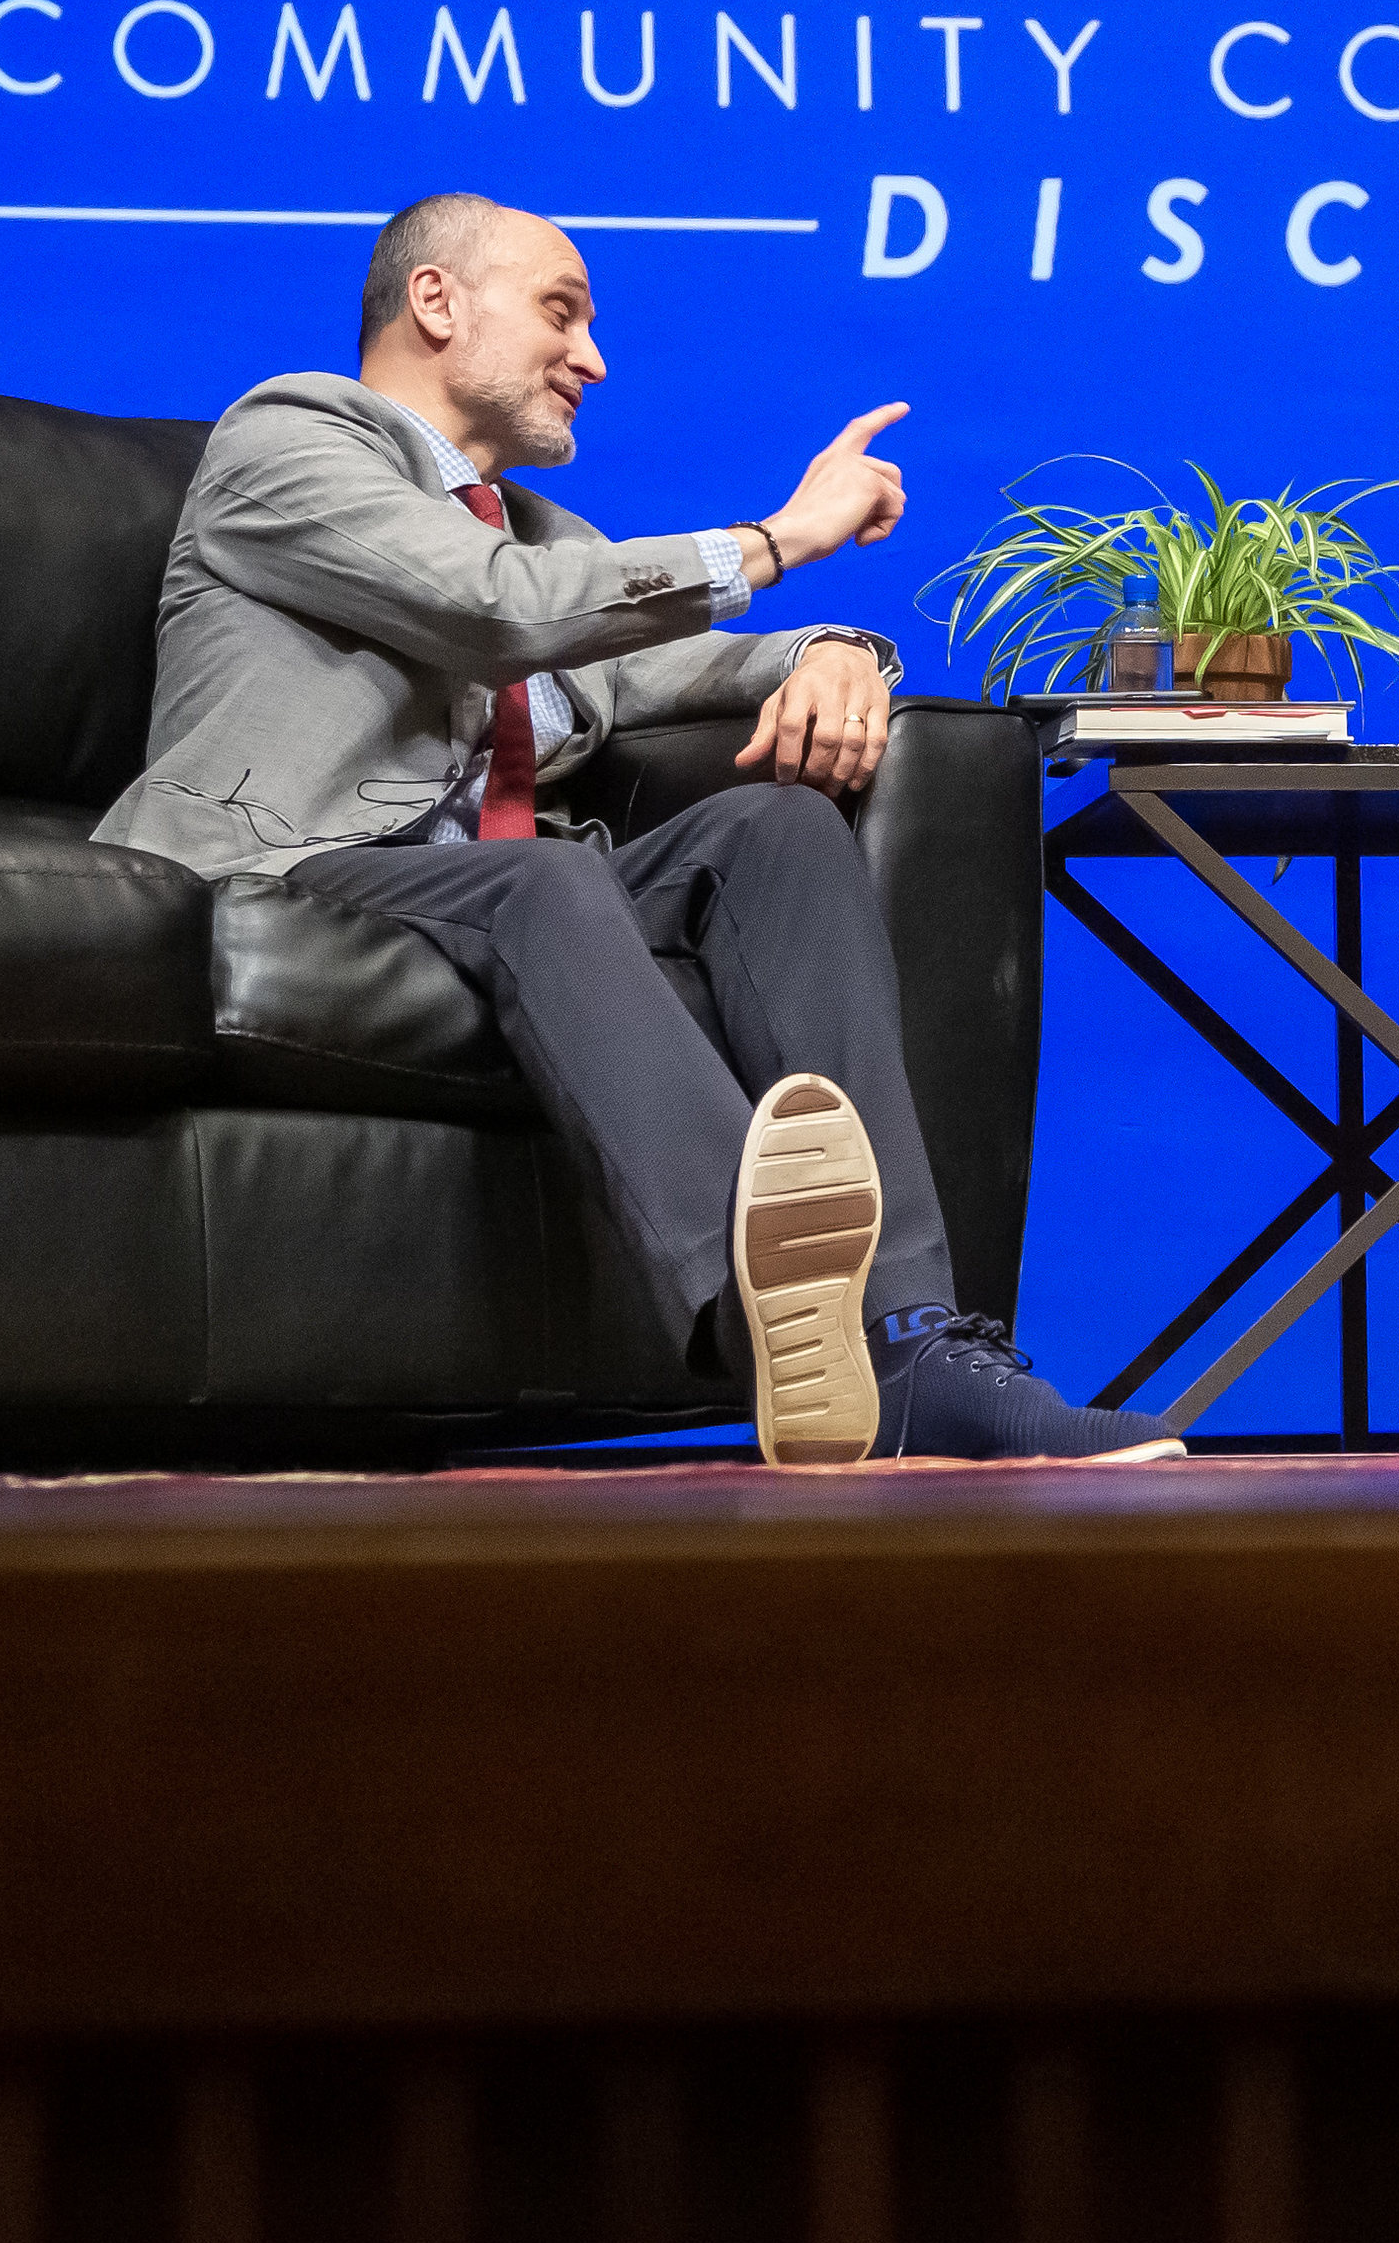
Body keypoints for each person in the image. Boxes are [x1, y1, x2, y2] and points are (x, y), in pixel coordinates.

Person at [99, 190, 1182, 1466]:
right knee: (544, 884)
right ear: (436, 302)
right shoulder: (287, 440)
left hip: (479, 888)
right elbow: (491, 610)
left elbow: (663, 671)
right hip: (280, 873)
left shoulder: (550, 535)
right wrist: (777, 542)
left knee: (773, 830)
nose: (594, 358)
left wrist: (835, 648)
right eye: (561, 311)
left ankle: (910, 1340)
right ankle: (775, 1332)